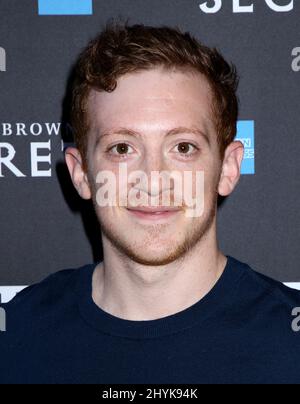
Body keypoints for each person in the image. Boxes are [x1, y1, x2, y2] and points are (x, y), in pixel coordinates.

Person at [1, 20, 300, 384]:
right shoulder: (17, 335)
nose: (153, 180)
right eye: (122, 148)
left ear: (228, 168)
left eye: (183, 147)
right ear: (81, 174)